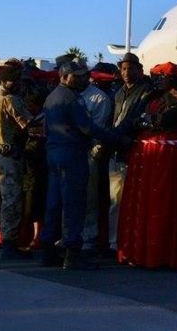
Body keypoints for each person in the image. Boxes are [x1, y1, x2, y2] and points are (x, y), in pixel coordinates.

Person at [41, 61, 123, 270]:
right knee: (74, 204)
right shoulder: (72, 99)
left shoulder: (52, 97)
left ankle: (48, 250)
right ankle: (72, 253)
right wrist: (116, 139)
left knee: (54, 203)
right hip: (72, 154)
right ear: (66, 76)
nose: (84, 79)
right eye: (79, 76)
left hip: (54, 153)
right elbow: (87, 128)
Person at [117, 62, 177, 271]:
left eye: (162, 76)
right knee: (141, 200)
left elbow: (167, 120)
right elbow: (136, 120)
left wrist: (148, 121)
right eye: (156, 76)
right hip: (146, 154)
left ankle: (160, 253)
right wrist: (147, 121)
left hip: (166, 155)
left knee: (162, 201)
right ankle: (137, 251)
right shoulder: (150, 96)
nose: (158, 80)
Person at [0, 66, 35, 259]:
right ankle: (9, 243)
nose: (19, 84)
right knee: (11, 200)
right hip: (9, 153)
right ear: (5, 82)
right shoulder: (10, 100)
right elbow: (28, 123)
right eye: (16, 81)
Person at [107, 53, 152, 254]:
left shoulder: (146, 92)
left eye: (130, 68)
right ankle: (114, 242)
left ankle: (128, 241)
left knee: (131, 200)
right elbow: (114, 119)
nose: (126, 72)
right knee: (115, 200)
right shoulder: (118, 93)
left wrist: (119, 135)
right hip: (116, 150)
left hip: (133, 150)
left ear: (139, 70)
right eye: (123, 69)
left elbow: (134, 120)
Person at [78, 64, 112, 256]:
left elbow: (97, 129)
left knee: (90, 198)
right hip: (73, 152)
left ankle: (89, 238)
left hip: (90, 151)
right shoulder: (71, 95)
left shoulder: (99, 98)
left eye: (80, 75)